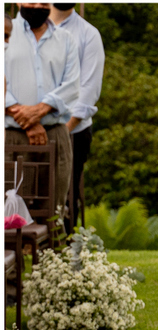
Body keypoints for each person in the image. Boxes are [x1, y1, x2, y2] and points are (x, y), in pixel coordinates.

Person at [5, 2, 79, 222]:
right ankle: (13, 255)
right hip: (12, 136)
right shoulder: (5, 33)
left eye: (43, 1)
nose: (37, 5)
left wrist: (39, 111)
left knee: (54, 209)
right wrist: (26, 119)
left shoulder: (66, 39)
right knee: (11, 208)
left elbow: (73, 86)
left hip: (55, 134)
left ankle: (53, 255)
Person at [50, 3, 104, 232]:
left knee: (66, 197)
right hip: (26, 129)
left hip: (73, 131)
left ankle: (64, 256)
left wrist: (62, 130)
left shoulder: (88, 35)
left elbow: (88, 93)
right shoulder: (23, 29)